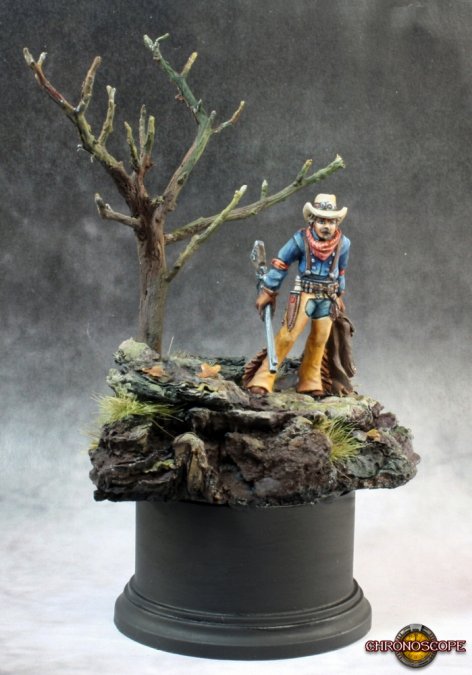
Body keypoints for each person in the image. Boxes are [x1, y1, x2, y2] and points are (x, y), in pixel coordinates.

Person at [245, 193, 351, 397]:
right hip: (304, 294)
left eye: (331, 221)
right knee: (288, 335)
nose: (326, 226)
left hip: (327, 298)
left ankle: (310, 381)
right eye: (321, 221)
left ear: (336, 222)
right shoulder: (301, 240)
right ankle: (263, 378)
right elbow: (281, 263)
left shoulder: (343, 244)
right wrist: (269, 290)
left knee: (320, 340)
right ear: (312, 221)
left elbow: (341, 271)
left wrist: (339, 294)